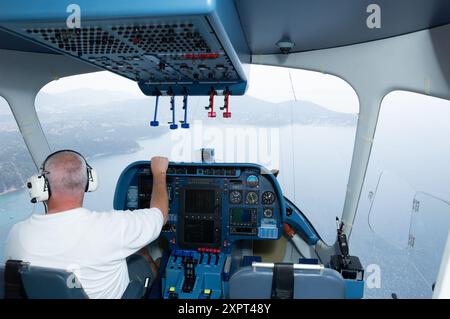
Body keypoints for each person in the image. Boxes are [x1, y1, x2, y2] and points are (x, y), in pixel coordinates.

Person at [4, 151, 169, 299]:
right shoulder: (113, 227)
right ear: (90, 182)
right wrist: (160, 173)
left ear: (41, 186)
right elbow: (160, 215)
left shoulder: (17, 233)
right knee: (143, 254)